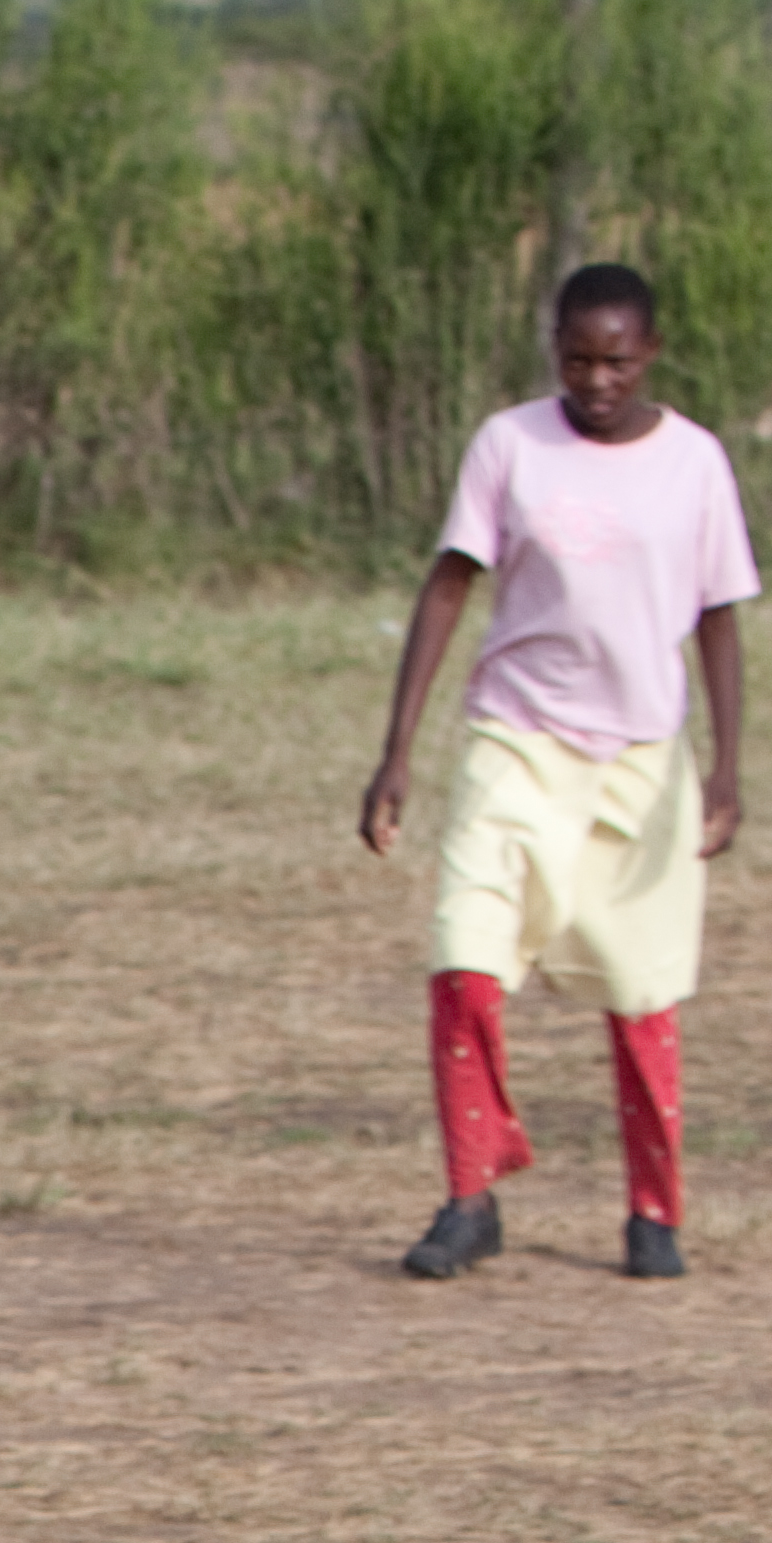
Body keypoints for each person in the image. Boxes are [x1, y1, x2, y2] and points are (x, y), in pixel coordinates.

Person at [360, 261, 750, 1284]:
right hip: (515, 740)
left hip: (642, 758)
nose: (597, 380)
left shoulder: (695, 464)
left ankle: (653, 1214)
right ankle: (469, 1195)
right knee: (465, 961)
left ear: (650, 354)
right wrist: (397, 751)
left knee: (641, 992)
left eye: (617, 360)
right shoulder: (509, 444)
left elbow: (718, 618)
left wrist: (727, 769)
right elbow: (450, 584)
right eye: (578, 359)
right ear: (555, 353)